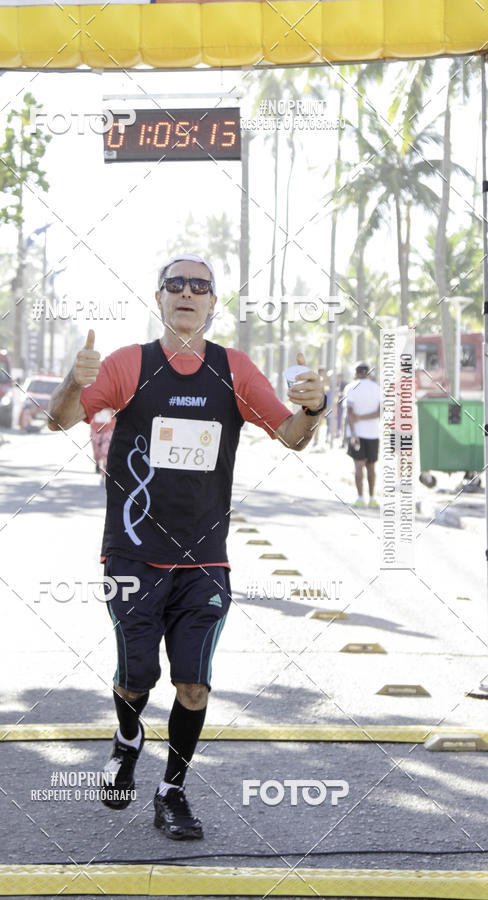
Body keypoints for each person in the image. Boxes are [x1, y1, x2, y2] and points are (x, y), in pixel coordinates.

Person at [48, 253, 326, 840]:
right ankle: (128, 738)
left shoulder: (234, 369)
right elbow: (61, 419)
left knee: (194, 685)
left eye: (200, 286)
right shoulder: (129, 364)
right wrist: (74, 381)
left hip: (205, 559)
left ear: (213, 303)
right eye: (175, 283)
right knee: (136, 678)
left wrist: (314, 408)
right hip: (132, 553)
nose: (187, 293)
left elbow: (291, 435)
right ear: (159, 298)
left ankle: (171, 790)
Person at [344, 361, 381, 508]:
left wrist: (353, 433)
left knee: (358, 466)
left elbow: (350, 413)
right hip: (373, 433)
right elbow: (380, 412)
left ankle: (360, 499)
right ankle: (372, 498)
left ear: (356, 373)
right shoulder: (377, 388)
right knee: (371, 467)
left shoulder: (351, 387)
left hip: (357, 433)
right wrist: (364, 417)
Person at [90, 408, 115, 481]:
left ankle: (105, 474)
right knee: (96, 451)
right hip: (95, 427)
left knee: (105, 451)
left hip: (109, 426)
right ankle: (97, 462)